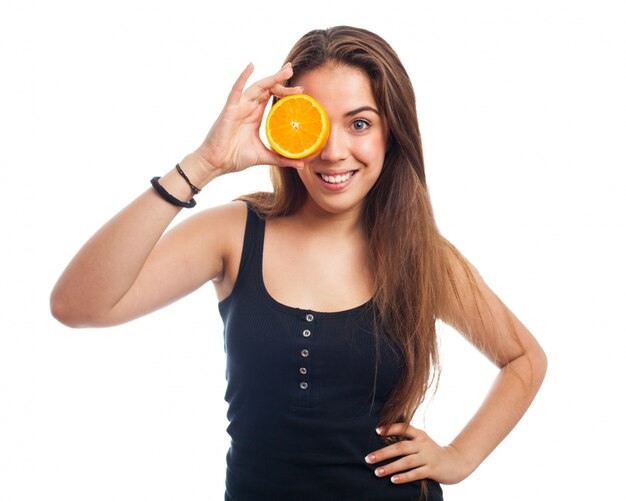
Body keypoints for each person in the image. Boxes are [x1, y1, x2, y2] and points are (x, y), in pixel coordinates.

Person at [50, 26, 547, 501]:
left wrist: (460, 457)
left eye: (359, 123)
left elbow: (523, 358)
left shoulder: (420, 254)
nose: (334, 151)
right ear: (288, 127)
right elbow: (78, 305)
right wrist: (202, 164)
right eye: (316, 122)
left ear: (391, 132)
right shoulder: (234, 232)